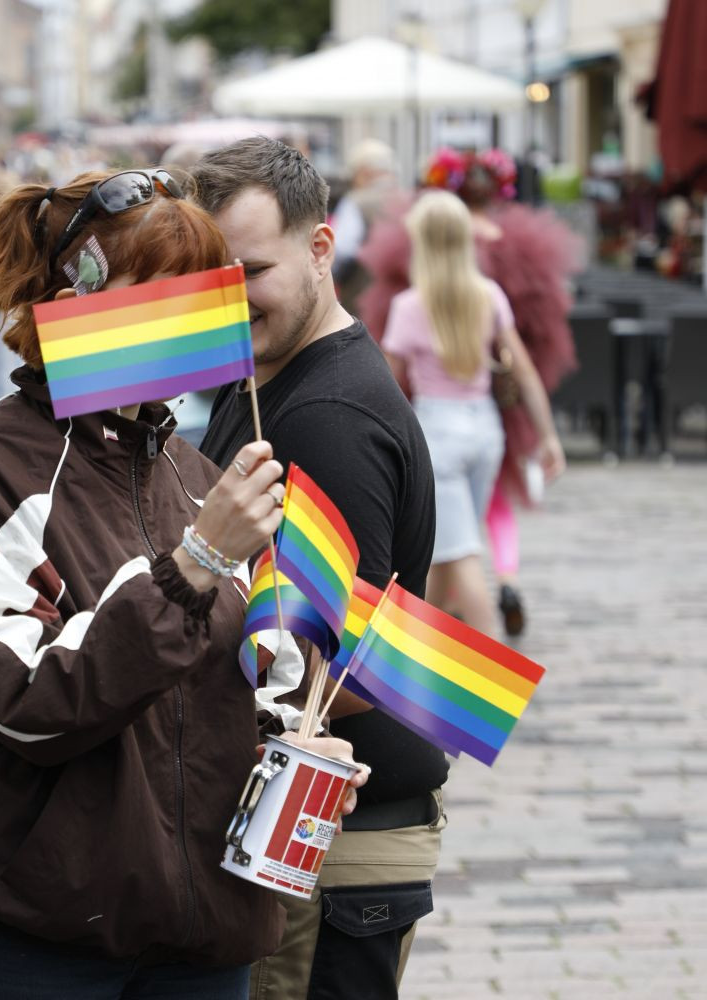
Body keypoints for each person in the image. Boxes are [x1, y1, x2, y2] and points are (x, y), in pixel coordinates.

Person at [0, 168, 367, 1000]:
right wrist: (192, 568)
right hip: (28, 938)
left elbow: (255, 680)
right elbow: (29, 702)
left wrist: (292, 745)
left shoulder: (203, 478)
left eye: (201, 294)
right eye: (159, 295)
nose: (187, 323)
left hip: (202, 939)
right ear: (72, 302)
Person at [191, 136, 446, 1000]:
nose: (230, 297)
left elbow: (332, 672)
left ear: (321, 249)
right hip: (315, 838)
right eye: (210, 276)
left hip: (323, 848)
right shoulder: (265, 374)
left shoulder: (326, 416)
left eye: (253, 270)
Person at [358, 148, 580, 636]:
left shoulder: (409, 307)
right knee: (446, 552)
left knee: (461, 559)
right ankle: (408, 653)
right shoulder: (490, 296)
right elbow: (523, 374)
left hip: (438, 435)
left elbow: (386, 387)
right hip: (485, 432)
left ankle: (488, 692)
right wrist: (548, 438)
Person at [329, 138, 399, 315]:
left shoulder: (356, 202)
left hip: (364, 303)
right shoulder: (408, 200)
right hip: (401, 306)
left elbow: (341, 251)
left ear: (364, 172)